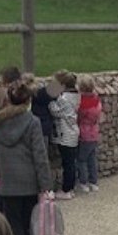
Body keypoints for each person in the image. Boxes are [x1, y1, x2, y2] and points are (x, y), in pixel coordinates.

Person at [0, 82, 52, 235]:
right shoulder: (32, 122)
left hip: (8, 178)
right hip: (29, 179)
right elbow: (39, 154)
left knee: (13, 219)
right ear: (28, 100)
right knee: (29, 218)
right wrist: (45, 183)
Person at [49, 71, 80, 199]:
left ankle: (66, 190)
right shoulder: (76, 96)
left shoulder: (64, 99)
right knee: (71, 162)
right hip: (73, 133)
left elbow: (56, 111)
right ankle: (70, 188)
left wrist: (50, 102)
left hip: (65, 135)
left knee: (67, 164)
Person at [77, 75, 102, 192]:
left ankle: (83, 182)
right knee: (91, 158)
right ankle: (93, 181)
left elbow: (79, 117)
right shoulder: (96, 99)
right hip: (94, 132)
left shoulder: (83, 103)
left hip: (85, 133)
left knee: (81, 159)